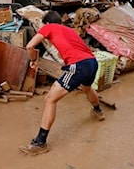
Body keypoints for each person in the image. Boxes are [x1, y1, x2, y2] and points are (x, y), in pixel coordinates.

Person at [19, 10, 104, 156]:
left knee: (50, 99)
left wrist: (34, 60)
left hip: (78, 65)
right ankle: (98, 111)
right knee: (87, 87)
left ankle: (40, 143)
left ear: (47, 23)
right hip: (92, 62)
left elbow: (29, 46)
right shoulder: (69, 30)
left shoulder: (48, 27)